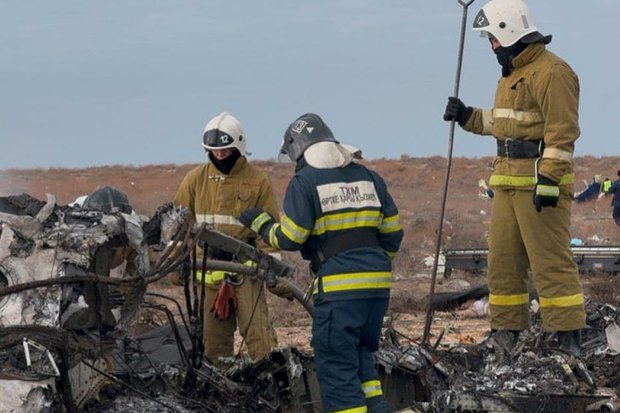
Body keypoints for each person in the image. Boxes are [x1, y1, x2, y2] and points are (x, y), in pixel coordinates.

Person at [443, 0, 585, 356]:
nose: (491, 46)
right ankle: (506, 333)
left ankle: (568, 340)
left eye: (492, 38)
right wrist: (467, 116)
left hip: (539, 186)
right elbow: (502, 124)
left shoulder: (552, 73)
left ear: (509, 32)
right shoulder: (510, 76)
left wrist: (550, 179)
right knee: (503, 264)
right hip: (506, 183)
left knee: (550, 263)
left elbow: (562, 131)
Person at [238, 113, 403, 413]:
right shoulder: (369, 177)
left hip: (340, 293)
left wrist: (261, 224)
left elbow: (291, 236)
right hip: (377, 290)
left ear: (298, 150)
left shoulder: (305, 181)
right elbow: (392, 234)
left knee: (338, 372)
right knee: (362, 360)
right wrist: (370, 268)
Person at [173, 112, 280, 368]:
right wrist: (177, 262)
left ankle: (274, 387)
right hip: (207, 277)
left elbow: (268, 232)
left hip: (245, 274)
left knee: (259, 339)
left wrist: (276, 273)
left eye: (225, 150)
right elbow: (178, 226)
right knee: (213, 346)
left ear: (238, 146)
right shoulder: (195, 180)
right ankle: (221, 394)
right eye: (214, 151)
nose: (219, 155)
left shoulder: (257, 181)